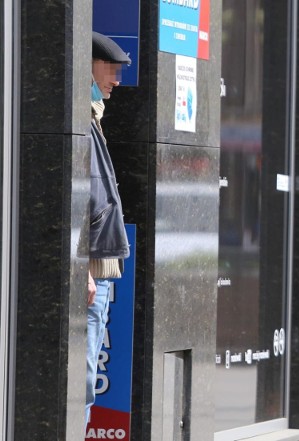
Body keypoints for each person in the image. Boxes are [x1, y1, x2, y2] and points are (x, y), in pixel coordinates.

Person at [86, 31, 131, 427]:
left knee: (84, 381)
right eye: (111, 69)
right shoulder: (81, 114)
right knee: (82, 383)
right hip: (90, 272)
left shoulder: (92, 115)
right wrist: (81, 267)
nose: (116, 79)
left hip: (98, 272)